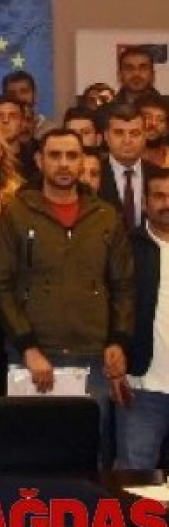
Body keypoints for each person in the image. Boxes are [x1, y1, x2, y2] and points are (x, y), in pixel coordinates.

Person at [0, 129, 135, 464]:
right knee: (30, 455)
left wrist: (118, 339)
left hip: (93, 354)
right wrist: (27, 346)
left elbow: (124, 285)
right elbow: (0, 284)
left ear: (83, 162)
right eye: (55, 155)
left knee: (88, 456)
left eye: (72, 156)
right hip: (33, 354)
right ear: (39, 161)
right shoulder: (17, 213)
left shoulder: (106, 216)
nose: (64, 164)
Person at [117, 168, 169, 468]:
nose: (166, 203)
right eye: (159, 196)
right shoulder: (128, 247)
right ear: (145, 203)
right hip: (143, 385)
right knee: (134, 477)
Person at [98, 104, 161, 231]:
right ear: (106, 137)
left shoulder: (158, 175)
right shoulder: (94, 174)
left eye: (135, 133)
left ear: (145, 136)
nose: (127, 140)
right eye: (119, 133)